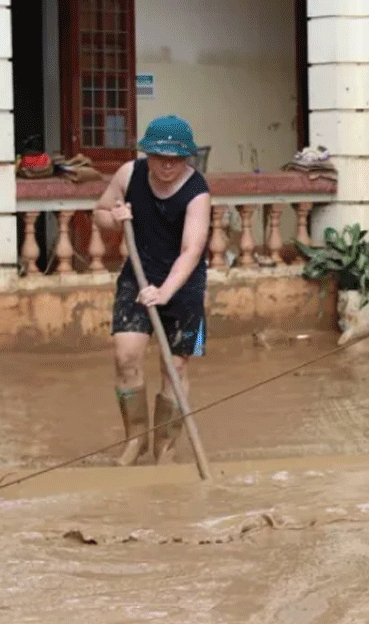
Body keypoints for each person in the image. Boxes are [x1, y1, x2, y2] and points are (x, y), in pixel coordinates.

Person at [92, 115, 211, 466]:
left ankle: (165, 449)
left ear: (187, 157)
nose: (168, 166)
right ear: (149, 154)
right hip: (137, 276)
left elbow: (192, 251)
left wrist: (165, 292)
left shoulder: (197, 193)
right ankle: (136, 440)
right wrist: (113, 219)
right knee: (125, 356)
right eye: (161, 158)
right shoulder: (129, 174)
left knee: (173, 365)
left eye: (176, 159)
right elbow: (99, 211)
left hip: (184, 286)